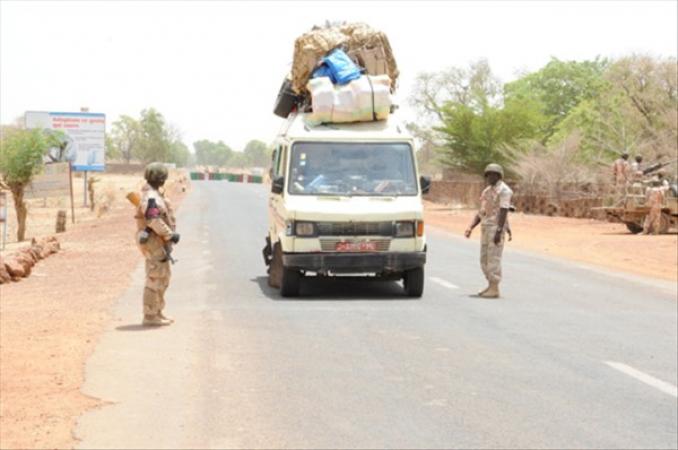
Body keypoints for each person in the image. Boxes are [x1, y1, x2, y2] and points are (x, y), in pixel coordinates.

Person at [135, 163, 180, 326]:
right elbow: (153, 219)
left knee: (163, 277)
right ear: (160, 178)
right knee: (154, 278)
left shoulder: (155, 194)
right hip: (153, 240)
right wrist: (169, 235)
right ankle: (149, 315)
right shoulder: (151, 197)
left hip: (158, 241)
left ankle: (157, 311)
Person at [464, 163, 513, 298]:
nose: (489, 177)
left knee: (493, 259)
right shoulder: (487, 191)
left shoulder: (504, 191)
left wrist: (499, 231)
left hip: (495, 228)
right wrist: (470, 227)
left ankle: (494, 288)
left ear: (498, 176)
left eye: (492, 174)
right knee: (484, 259)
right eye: (488, 175)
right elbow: (482, 212)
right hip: (485, 228)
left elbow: (504, 211)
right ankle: (490, 285)